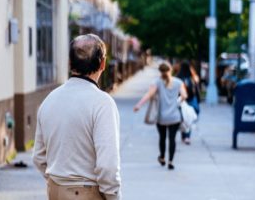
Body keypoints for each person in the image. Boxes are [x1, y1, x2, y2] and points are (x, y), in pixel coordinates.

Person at [33, 34, 121, 200]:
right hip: (87, 192)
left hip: (55, 190)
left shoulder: (49, 100)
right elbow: (108, 166)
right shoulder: (102, 103)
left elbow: (38, 157)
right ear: (102, 63)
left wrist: (60, 181)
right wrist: (113, 196)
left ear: (70, 63)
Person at [133, 62, 187, 170]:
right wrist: (178, 102)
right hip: (175, 117)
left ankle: (162, 157)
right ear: (170, 70)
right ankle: (170, 161)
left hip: (161, 117)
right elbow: (184, 96)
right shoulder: (178, 82)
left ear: (160, 72)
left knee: (162, 138)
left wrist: (139, 105)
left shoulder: (156, 82)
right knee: (172, 139)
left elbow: (149, 95)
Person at [177, 61, 201, 145]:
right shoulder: (192, 77)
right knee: (189, 118)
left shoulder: (178, 77)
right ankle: (187, 136)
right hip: (191, 99)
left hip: (183, 100)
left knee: (184, 118)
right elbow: (197, 89)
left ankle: (184, 135)